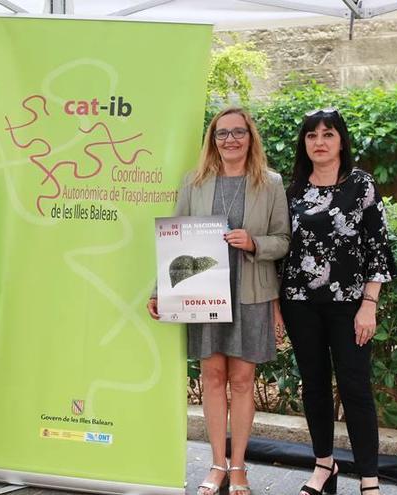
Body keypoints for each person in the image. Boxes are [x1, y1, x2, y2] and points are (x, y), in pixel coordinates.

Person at [147, 107, 290, 495]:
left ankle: (240, 468)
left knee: (242, 381)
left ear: (250, 137)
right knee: (212, 378)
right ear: (212, 139)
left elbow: (284, 240)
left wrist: (255, 243)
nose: (230, 139)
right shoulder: (194, 182)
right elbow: (174, 240)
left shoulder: (271, 183)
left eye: (238, 132)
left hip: (251, 293)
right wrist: (160, 289)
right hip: (202, 293)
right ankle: (216, 465)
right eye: (221, 133)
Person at [278, 108, 397, 495]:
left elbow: (378, 248)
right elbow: (283, 251)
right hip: (300, 302)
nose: (320, 143)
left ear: (341, 141)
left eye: (328, 135)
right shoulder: (293, 190)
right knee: (313, 385)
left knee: (355, 387)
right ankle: (324, 466)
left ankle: (368, 479)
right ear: (304, 143)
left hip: (349, 304)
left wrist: (370, 303)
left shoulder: (361, 186)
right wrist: (277, 305)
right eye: (312, 136)